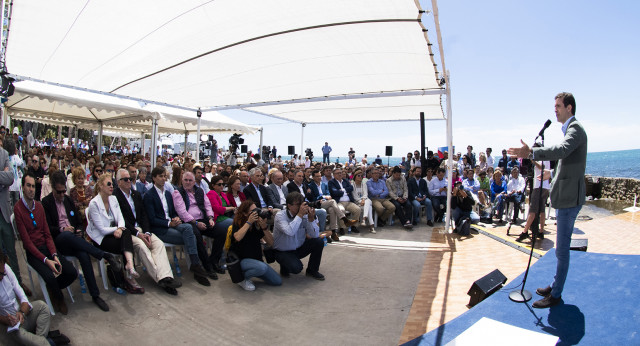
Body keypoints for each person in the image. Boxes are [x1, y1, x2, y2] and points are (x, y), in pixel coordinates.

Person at [508, 92, 587, 309]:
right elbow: (567, 162)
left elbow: (561, 151)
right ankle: (555, 285)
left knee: (561, 250)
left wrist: (532, 151)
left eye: (559, 106)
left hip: (569, 200)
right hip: (565, 197)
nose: (555, 110)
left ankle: (556, 294)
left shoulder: (575, 129)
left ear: (569, 108)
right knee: (561, 250)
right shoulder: (569, 130)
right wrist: (549, 175)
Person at [42, 170, 116, 311]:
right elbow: (47, 229)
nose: (62, 195)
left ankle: (95, 295)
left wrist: (78, 231)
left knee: (84, 255)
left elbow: (77, 222)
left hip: (74, 240)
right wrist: (62, 230)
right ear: (52, 188)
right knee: (67, 236)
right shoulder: (46, 203)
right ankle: (103, 254)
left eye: (64, 191)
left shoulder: (68, 200)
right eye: (59, 192)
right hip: (59, 240)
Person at [15, 173, 78, 315]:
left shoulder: (39, 206)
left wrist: (54, 255)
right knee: (49, 276)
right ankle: (59, 298)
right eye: (28, 186)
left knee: (71, 272)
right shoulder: (18, 209)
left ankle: (53, 288)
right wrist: (46, 261)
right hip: (33, 252)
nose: (31, 189)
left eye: (33, 186)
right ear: (23, 188)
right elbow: (27, 242)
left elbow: (47, 234)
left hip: (47, 247)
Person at [113, 169, 181, 295]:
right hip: (128, 232)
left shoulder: (136, 194)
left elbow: (144, 216)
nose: (129, 181)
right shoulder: (115, 197)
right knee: (142, 247)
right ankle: (162, 278)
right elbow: (121, 220)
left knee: (158, 244)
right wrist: (138, 234)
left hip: (143, 229)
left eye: (130, 179)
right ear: (119, 182)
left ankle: (166, 277)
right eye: (126, 179)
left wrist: (148, 233)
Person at [143, 166, 211, 286]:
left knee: (189, 228)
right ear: (153, 178)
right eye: (160, 176)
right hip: (161, 228)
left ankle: (195, 264)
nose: (163, 179)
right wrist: (169, 223)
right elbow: (151, 218)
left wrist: (176, 218)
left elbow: (173, 211)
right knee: (192, 236)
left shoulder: (168, 194)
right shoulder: (149, 195)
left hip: (172, 223)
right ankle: (196, 265)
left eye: (165, 176)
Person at [87, 173, 144, 294]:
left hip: (114, 233)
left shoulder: (113, 198)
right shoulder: (94, 204)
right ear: (101, 186)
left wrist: (120, 228)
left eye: (112, 184)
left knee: (126, 234)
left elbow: (121, 218)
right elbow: (102, 229)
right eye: (108, 184)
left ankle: (129, 266)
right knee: (126, 242)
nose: (111, 186)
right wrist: (117, 229)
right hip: (101, 239)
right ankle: (130, 275)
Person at [0, 247, 71, 346]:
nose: (1, 276)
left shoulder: (6, 269)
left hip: (20, 316)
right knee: (26, 338)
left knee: (42, 307)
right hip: (9, 327)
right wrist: (5, 320)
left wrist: (22, 312)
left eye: (2, 273)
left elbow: (21, 294)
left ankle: (40, 341)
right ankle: (48, 342)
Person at [174, 171, 225, 276]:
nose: (188, 182)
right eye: (185, 180)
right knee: (197, 236)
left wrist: (210, 218)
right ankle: (207, 266)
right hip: (189, 221)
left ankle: (214, 261)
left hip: (203, 219)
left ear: (194, 182)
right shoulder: (177, 193)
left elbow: (207, 206)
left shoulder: (200, 191)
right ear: (181, 181)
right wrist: (196, 223)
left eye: (190, 180)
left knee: (221, 232)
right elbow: (182, 212)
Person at [229, 200, 282, 291]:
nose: (256, 213)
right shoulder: (238, 223)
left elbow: (271, 243)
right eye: (253, 211)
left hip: (256, 260)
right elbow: (237, 237)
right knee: (262, 268)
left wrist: (264, 227)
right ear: (245, 214)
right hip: (240, 260)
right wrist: (248, 222)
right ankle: (240, 278)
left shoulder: (257, 225)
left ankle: (254, 270)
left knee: (277, 281)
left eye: (256, 210)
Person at [272, 192, 325, 280]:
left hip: (298, 248)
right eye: (298, 205)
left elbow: (314, 235)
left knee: (318, 242)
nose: (301, 207)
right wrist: (299, 215)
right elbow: (290, 232)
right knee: (296, 268)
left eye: (302, 204)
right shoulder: (280, 216)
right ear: (289, 206)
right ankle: (284, 265)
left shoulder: (304, 215)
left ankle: (312, 270)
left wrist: (311, 219)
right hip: (283, 251)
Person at [516, 158, 551, 243]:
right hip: (545, 186)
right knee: (542, 210)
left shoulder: (540, 158)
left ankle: (525, 232)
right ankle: (541, 231)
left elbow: (541, 167)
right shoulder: (547, 158)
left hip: (539, 186)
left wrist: (533, 160)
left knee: (532, 210)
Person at [327, 167, 361, 234]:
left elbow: (351, 188)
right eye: (338, 173)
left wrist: (342, 190)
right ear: (334, 175)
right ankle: (342, 228)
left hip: (348, 202)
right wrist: (345, 191)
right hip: (339, 202)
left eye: (340, 173)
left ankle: (354, 226)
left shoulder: (345, 180)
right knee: (341, 210)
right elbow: (334, 192)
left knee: (358, 209)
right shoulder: (331, 182)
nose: (340, 174)